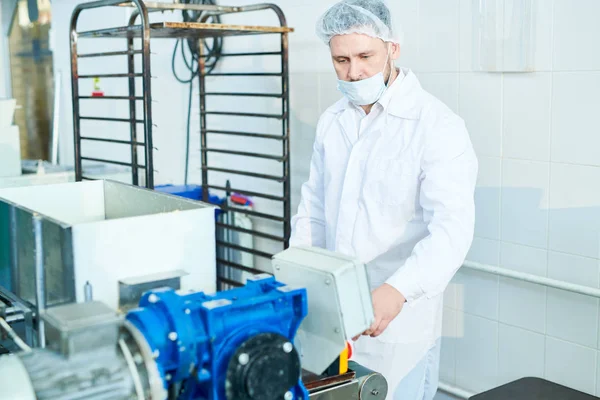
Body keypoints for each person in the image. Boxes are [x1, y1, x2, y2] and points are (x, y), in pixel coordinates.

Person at [289, 0, 478, 398]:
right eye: (341, 59)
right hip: (335, 309)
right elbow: (315, 209)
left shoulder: (436, 126)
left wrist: (397, 289)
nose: (353, 72)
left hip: (400, 319)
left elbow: (451, 231)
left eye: (365, 56)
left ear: (393, 49)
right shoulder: (332, 121)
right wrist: (298, 272)